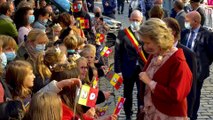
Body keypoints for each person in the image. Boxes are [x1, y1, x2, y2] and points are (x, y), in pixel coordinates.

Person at [138, 18, 192, 119]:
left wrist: (150, 82)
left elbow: (176, 95)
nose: (144, 47)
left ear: (159, 40)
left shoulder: (178, 61)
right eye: (143, 42)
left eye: (148, 43)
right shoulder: (155, 54)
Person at [114, 10, 147, 120]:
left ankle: (140, 113)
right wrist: (118, 70)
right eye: (133, 20)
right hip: (127, 68)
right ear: (129, 19)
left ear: (141, 21)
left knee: (141, 93)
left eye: (137, 20)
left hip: (142, 68)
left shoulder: (145, 33)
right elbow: (117, 52)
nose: (135, 22)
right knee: (127, 93)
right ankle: (128, 113)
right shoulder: (122, 33)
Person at [180, 11, 213, 120]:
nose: (185, 22)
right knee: (184, 93)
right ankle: (184, 113)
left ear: (196, 21)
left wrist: (203, 65)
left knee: (195, 95)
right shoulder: (184, 32)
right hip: (184, 70)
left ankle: (193, 116)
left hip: (198, 72)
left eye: (187, 21)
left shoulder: (207, 35)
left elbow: (211, 54)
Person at [163, 17, 197, 119]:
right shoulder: (159, 50)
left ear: (172, 32)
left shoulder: (188, 54)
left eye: (162, 29)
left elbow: (191, 87)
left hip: (179, 110)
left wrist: (188, 113)